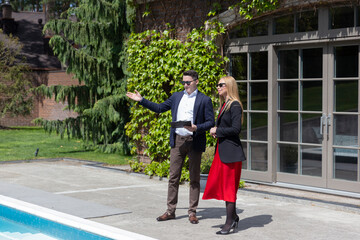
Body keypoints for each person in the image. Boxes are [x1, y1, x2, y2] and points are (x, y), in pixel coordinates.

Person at [126, 70, 215, 224]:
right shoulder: (176, 97)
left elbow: (210, 122)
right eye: (184, 82)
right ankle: (170, 211)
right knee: (173, 177)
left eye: (188, 82)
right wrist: (141, 100)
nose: (185, 85)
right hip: (178, 141)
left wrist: (197, 127)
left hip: (195, 141)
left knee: (194, 179)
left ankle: (192, 212)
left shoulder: (204, 100)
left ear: (196, 82)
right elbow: (160, 108)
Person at [202, 76, 246, 235]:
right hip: (223, 151)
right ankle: (233, 217)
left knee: (229, 188)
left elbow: (236, 129)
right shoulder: (225, 105)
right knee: (222, 186)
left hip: (231, 154)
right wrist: (218, 133)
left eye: (221, 84)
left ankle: (229, 221)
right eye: (218, 84)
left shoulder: (234, 105)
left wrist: (217, 130)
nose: (218, 87)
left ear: (229, 86)